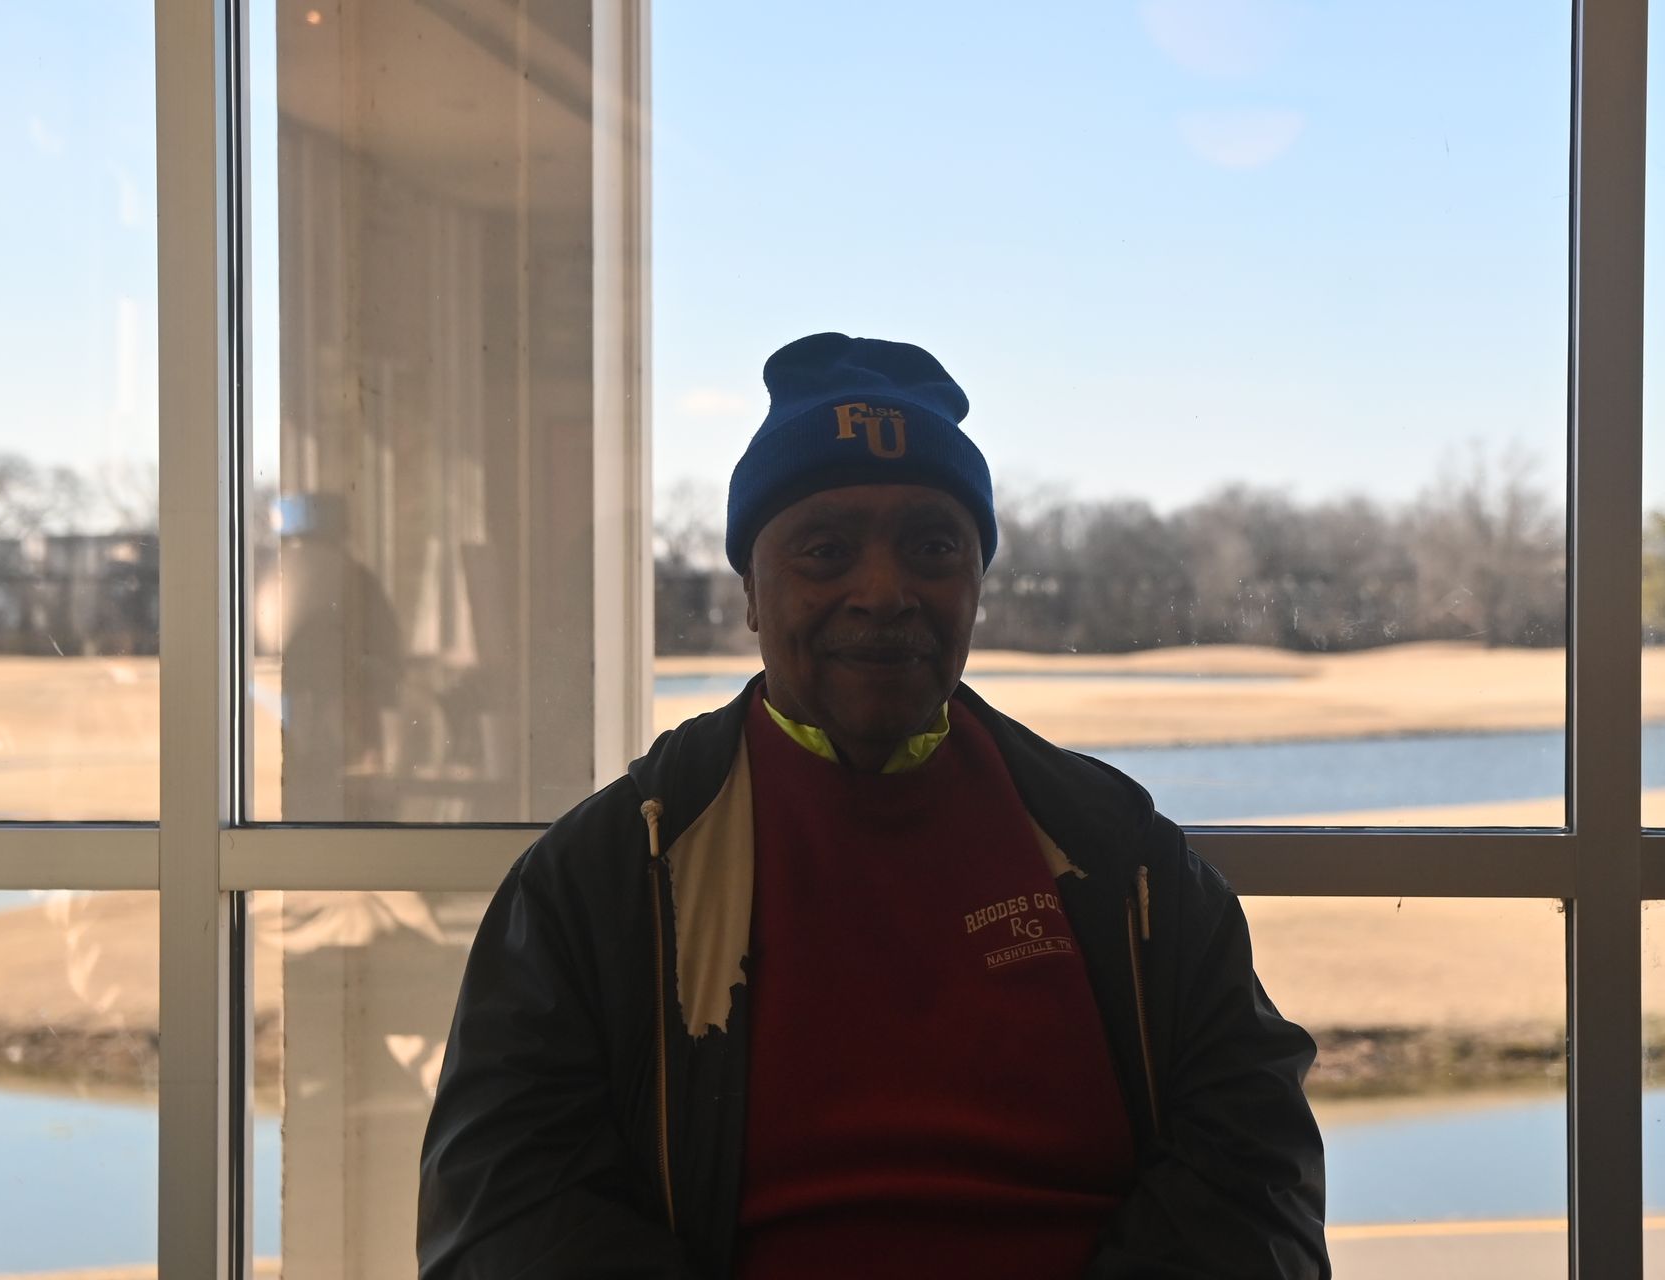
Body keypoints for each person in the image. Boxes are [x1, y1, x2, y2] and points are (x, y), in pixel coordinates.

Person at [417, 333, 1329, 1278]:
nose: (885, 592)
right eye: (827, 551)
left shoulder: (1123, 857)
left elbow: (1256, 1177)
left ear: (976, 583)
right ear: (751, 592)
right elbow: (504, 1214)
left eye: (933, 546)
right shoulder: (603, 876)